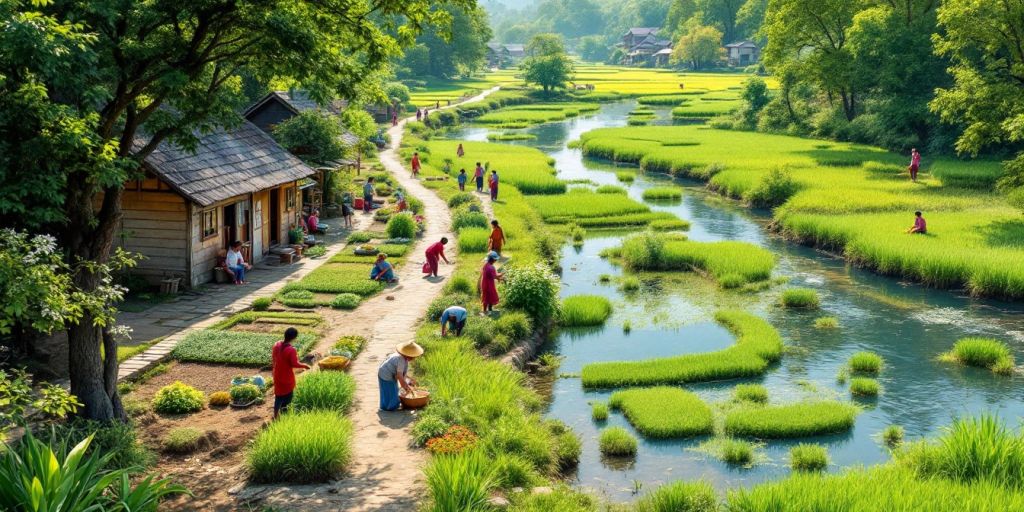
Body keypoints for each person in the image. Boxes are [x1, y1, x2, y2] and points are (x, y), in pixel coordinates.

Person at [272, 327, 310, 419]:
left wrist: (274, 369)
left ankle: (276, 415)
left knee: (278, 395)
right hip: (287, 376)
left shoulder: (276, 345)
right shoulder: (291, 350)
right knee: (288, 396)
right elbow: (294, 364)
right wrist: (305, 365)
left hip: (277, 374)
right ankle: (284, 414)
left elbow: (273, 359)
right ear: (294, 338)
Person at [378, 341, 423, 411]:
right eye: (414, 357)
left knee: (392, 390)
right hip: (385, 375)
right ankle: (389, 407)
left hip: (386, 372)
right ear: (410, 357)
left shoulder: (401, 357)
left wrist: (409, 380)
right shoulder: (401, 360)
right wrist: (405, 386)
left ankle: (388, 406)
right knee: (390, 391)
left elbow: (401, 373)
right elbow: (399, 376)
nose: (414, 358)